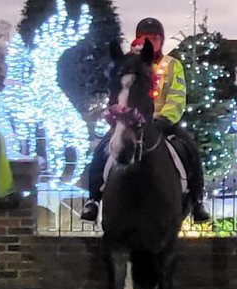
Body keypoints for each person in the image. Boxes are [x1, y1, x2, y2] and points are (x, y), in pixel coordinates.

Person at [81, 16, 211, 223]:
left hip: (162, 121)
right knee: (102, 149)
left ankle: (197, 200)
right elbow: (117, 90)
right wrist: (117, 113)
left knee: (189, 147)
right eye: (145, 37)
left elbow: (177, 94)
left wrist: (165, 118)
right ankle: (94, 200)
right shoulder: (127, 62)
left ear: (161, 40)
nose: (150, 41)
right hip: (129, 121)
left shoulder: (172, 65)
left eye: (154, 37)